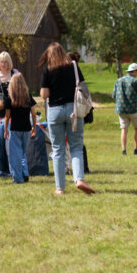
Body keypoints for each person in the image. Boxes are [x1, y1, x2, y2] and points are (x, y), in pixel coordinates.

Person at [39, 42, 95, 195]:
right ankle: (79, 179)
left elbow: (44, 95)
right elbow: (82, 87)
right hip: (73, 110)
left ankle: (60, 188)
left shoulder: (48, 68)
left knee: (58, 149)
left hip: (55, 111)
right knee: (76, 146)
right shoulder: (74, 66)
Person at [113, 62, 137, 155]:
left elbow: (114, 96)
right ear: (135, 71)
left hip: (121, 109)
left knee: (124, 129)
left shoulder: (118, 81)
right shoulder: (136, 82)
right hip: (134, 109)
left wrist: (120, 104)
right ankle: (136, 150)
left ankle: (124, 150)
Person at [4, 72, 37, 184]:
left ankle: (18, 178)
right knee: (22, 152)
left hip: (15, 128)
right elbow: (33, 114)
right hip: (27, 128)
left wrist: (5, 130)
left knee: (15, 155)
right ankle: (25, 173)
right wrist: (34, 127)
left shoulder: (10, 98)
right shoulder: (28, 97)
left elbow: (7, 116)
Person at [0, 52, 19, 178]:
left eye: (6, 61)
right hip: (2, 110)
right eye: (2, 62)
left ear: (9, 62)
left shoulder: (15, 73)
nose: (4, 64)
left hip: (16, 107)